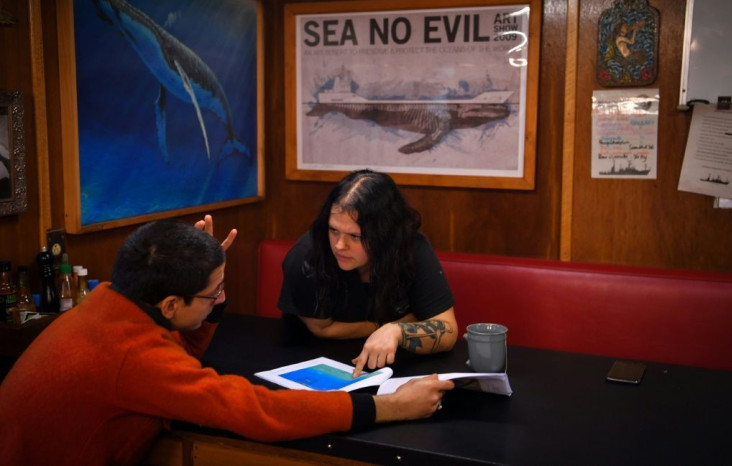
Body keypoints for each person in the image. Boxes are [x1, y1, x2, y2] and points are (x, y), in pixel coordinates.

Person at [0, 215, 453, 465]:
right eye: (214, 291)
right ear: (172, 305)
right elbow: (255, 411)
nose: (222, 296)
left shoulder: (107, 304)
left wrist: (204, 285)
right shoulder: (134, 355)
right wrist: (388, 406)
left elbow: (173, 354)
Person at [278, 169, 458, 378]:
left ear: (385, 234)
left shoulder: (410, 247)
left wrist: (396, 331)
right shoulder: (308, 256)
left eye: (355, 236)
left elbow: (448, 331)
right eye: (333, 230)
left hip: (392, 366)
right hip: (309, 359)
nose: (339, 245)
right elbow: (322, 329)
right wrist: (394, 323)